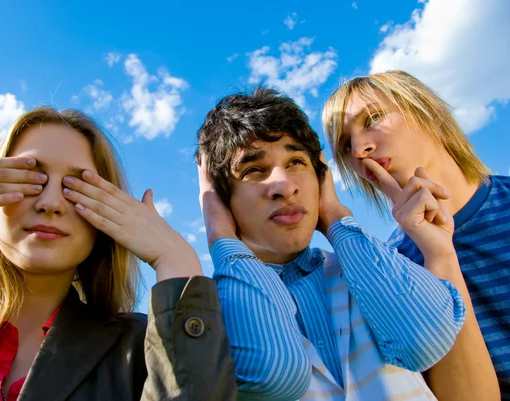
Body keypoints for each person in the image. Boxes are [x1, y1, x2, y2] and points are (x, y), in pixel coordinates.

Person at [0, 107, 236, 400]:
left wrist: (175, 260)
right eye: (30, 178)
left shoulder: (147, 349)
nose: (50, 203)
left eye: (75, 187)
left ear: (104, 218)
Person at [195, 87, 467, 400]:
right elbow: (273, 377)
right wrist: (221, 235)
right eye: (254, 169)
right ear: (220, 198)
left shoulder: (366, 266)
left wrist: (335, 215)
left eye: (297, 162)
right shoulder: (211, 309)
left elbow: (425, 343)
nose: (284, 186)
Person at [322, 69, 503, 400]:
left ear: (428, 110)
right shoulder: (392, 267)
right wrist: (438, 254)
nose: (360, 149)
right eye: (346, 144)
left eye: (373, 118)